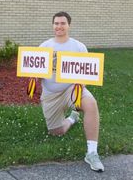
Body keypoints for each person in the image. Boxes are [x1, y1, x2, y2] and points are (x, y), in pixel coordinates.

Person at [39, 11, 104, 172]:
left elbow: (86, 73)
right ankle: (72, 119)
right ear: (52, 25)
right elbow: (36, 72)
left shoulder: (79, 47)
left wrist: (79, 89)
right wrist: (34, 76)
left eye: (62, 23)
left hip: (71, 89)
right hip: (50, 94)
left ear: (69, 25)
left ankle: (92, 153)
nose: (59, 26)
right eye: (56, 23)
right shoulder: (44, 46)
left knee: (90, 103)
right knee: (57, 132)